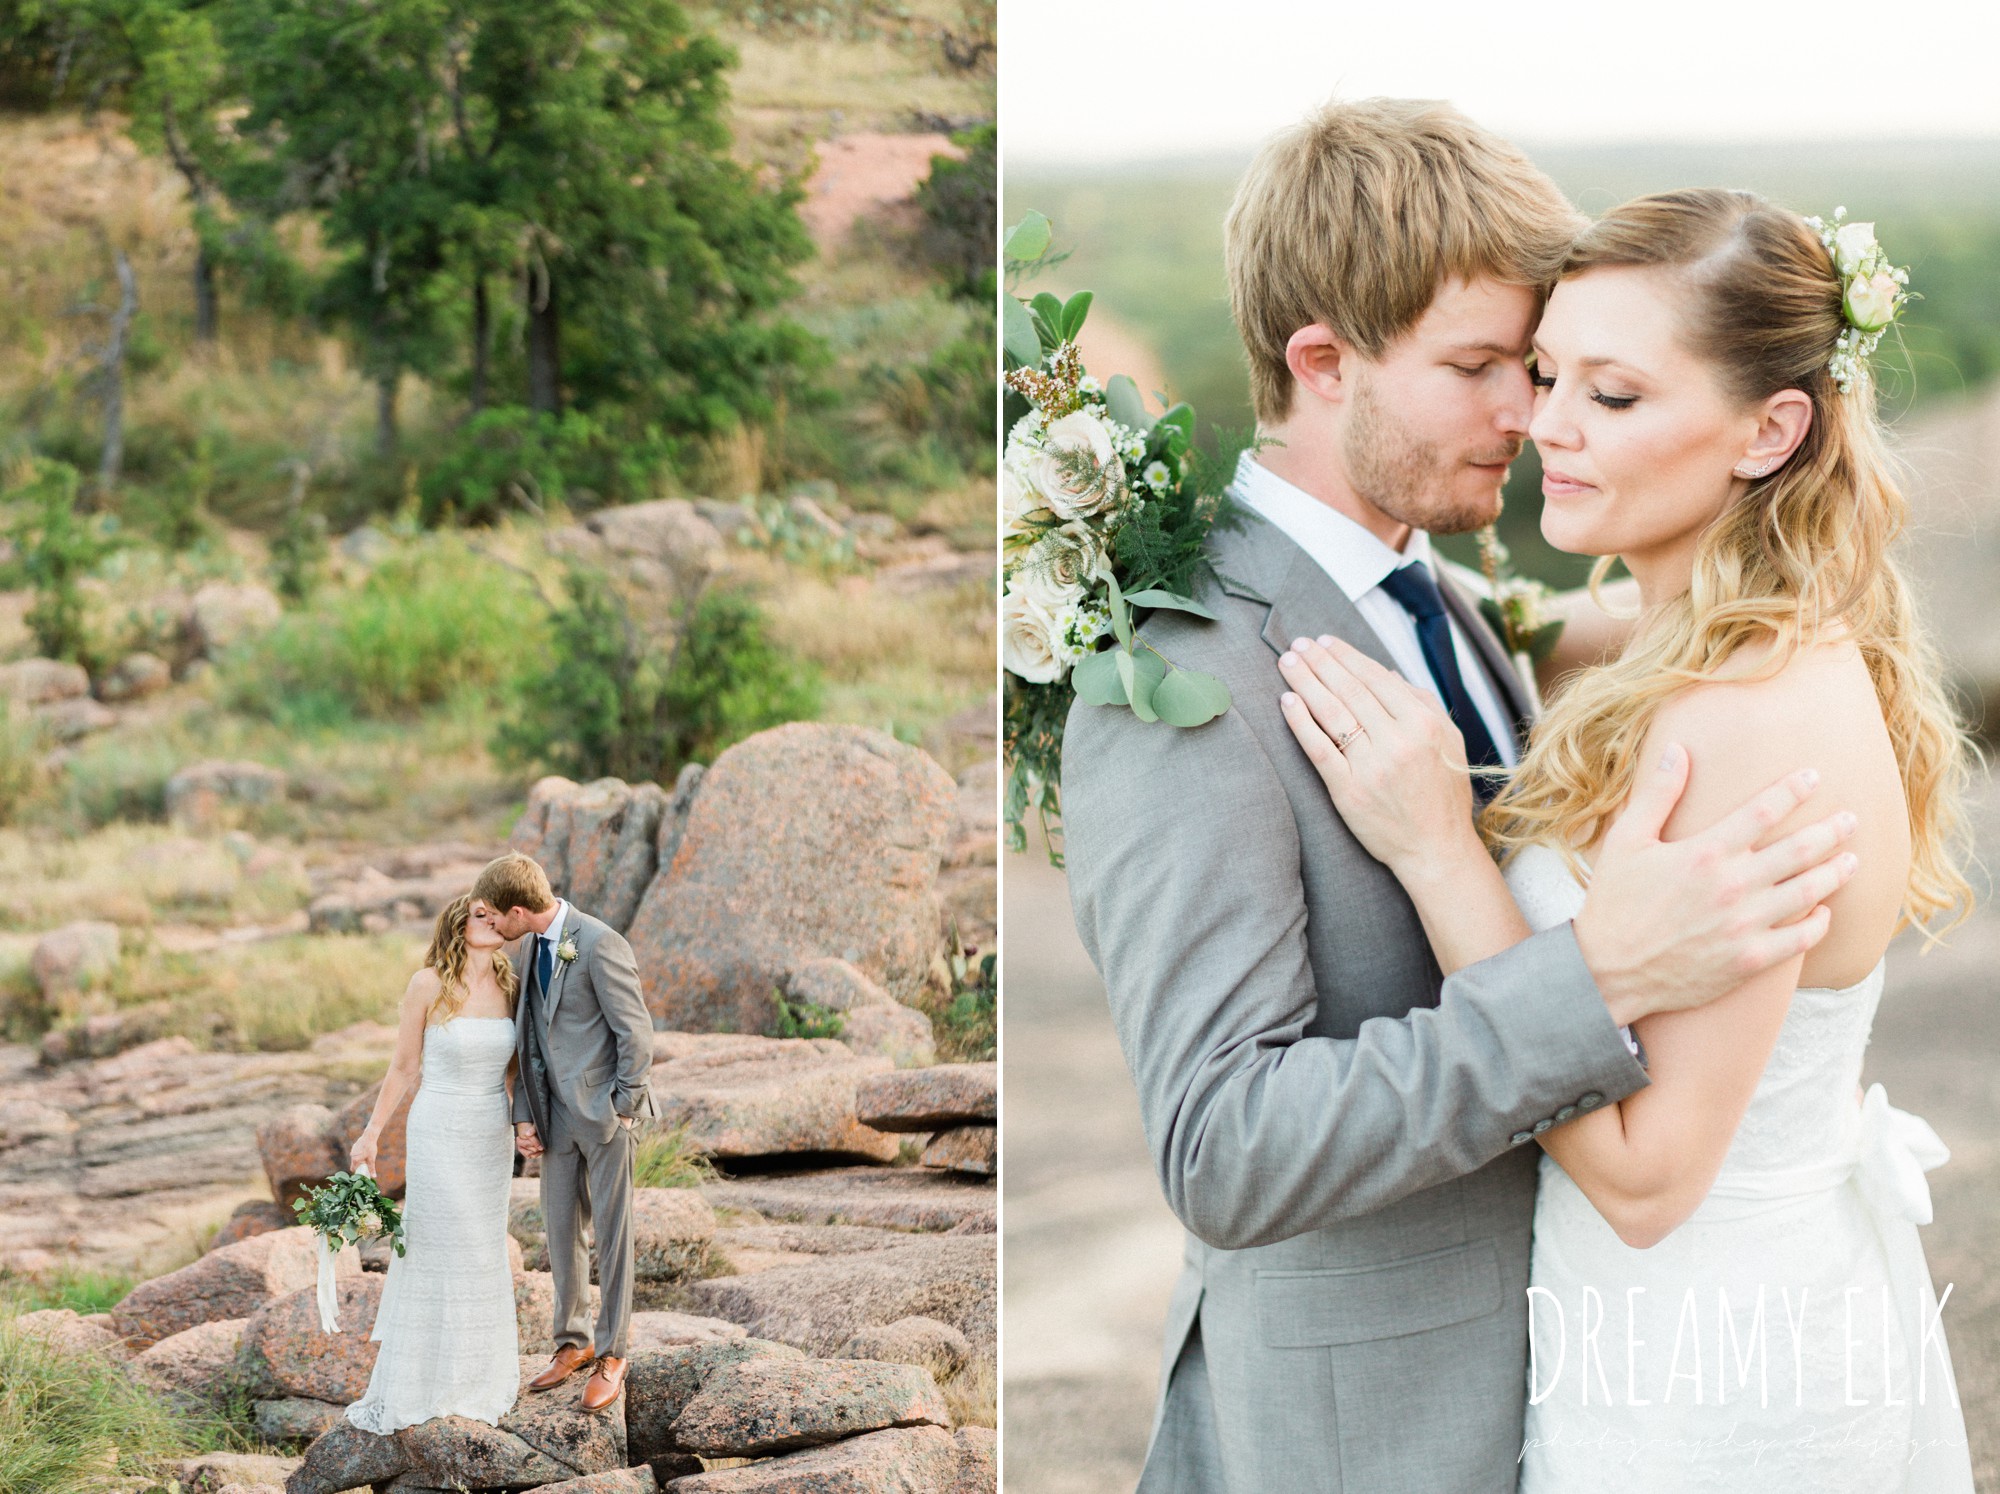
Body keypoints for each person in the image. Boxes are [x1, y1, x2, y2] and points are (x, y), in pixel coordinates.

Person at [1058, 99, 1864, 1493]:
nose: (1531, 414)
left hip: (1577, 1385)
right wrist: (1593, 972)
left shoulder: (1434, 590)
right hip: (1368, 1436)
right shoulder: (1183, 677)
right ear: (1324, 363)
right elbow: (1223, 1148)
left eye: (1547, 366)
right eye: (1485, 366)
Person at [1277, 186, 1975, 1490]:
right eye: (1546, 376)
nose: (1546, 427)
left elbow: (1650, 1179)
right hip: (1668, 1331)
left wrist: (1441, 852)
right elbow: (1523, 618)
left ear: (1771, 429)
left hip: (1707, 1381)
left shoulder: (1753, 723)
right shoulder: (1709, 636)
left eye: (1613, 396)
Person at [474, 851, 659, 1415]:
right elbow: (529, 1035)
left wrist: (623, 1109)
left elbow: (637, 1034)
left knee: (612, 1233)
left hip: (605, 1118)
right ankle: (572, 1343)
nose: (491, 927)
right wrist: (524, 1112)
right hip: (553, 1119)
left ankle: (614, 1354)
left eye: (493, 917)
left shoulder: (601, 944)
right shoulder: (531, 946)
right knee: (560, 1232)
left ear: (518, 909)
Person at [344, 892, 521, 1433]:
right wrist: (370, 1134)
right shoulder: (427, 984)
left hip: (490, 1133)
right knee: (442, 1244)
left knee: (482, 1248)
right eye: (479, 915)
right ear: (458, 924)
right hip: (439, 1128)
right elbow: (402, 1068)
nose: (491, 922)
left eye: (496, 914)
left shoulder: (513, 985)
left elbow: (516, 1072)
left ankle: (476, 1380)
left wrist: (527, 1125)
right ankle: (422, 1382)